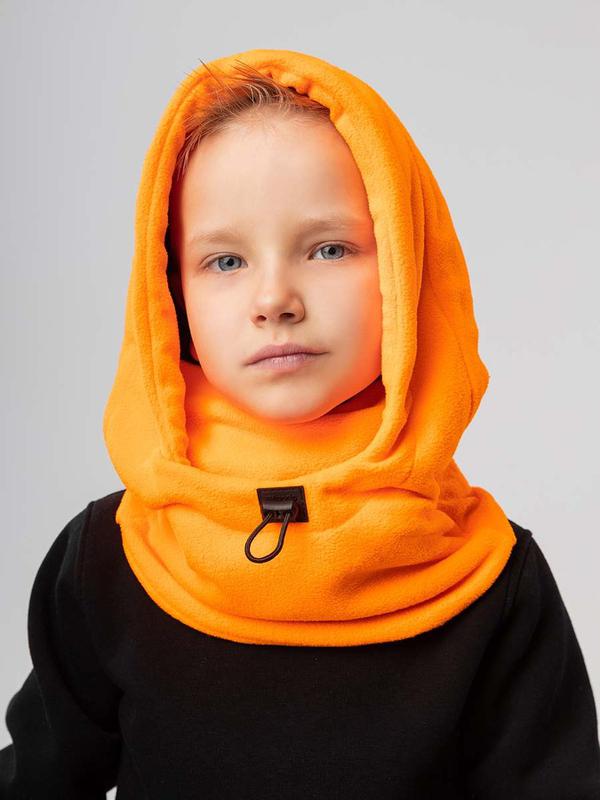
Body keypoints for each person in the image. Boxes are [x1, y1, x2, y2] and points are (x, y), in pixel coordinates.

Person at [1, 48, 599, 799]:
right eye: (225, 261)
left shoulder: (495, 580)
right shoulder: (109, 558)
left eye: (329, 248)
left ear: (407, 271)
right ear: (170, 296)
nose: (274, 299)